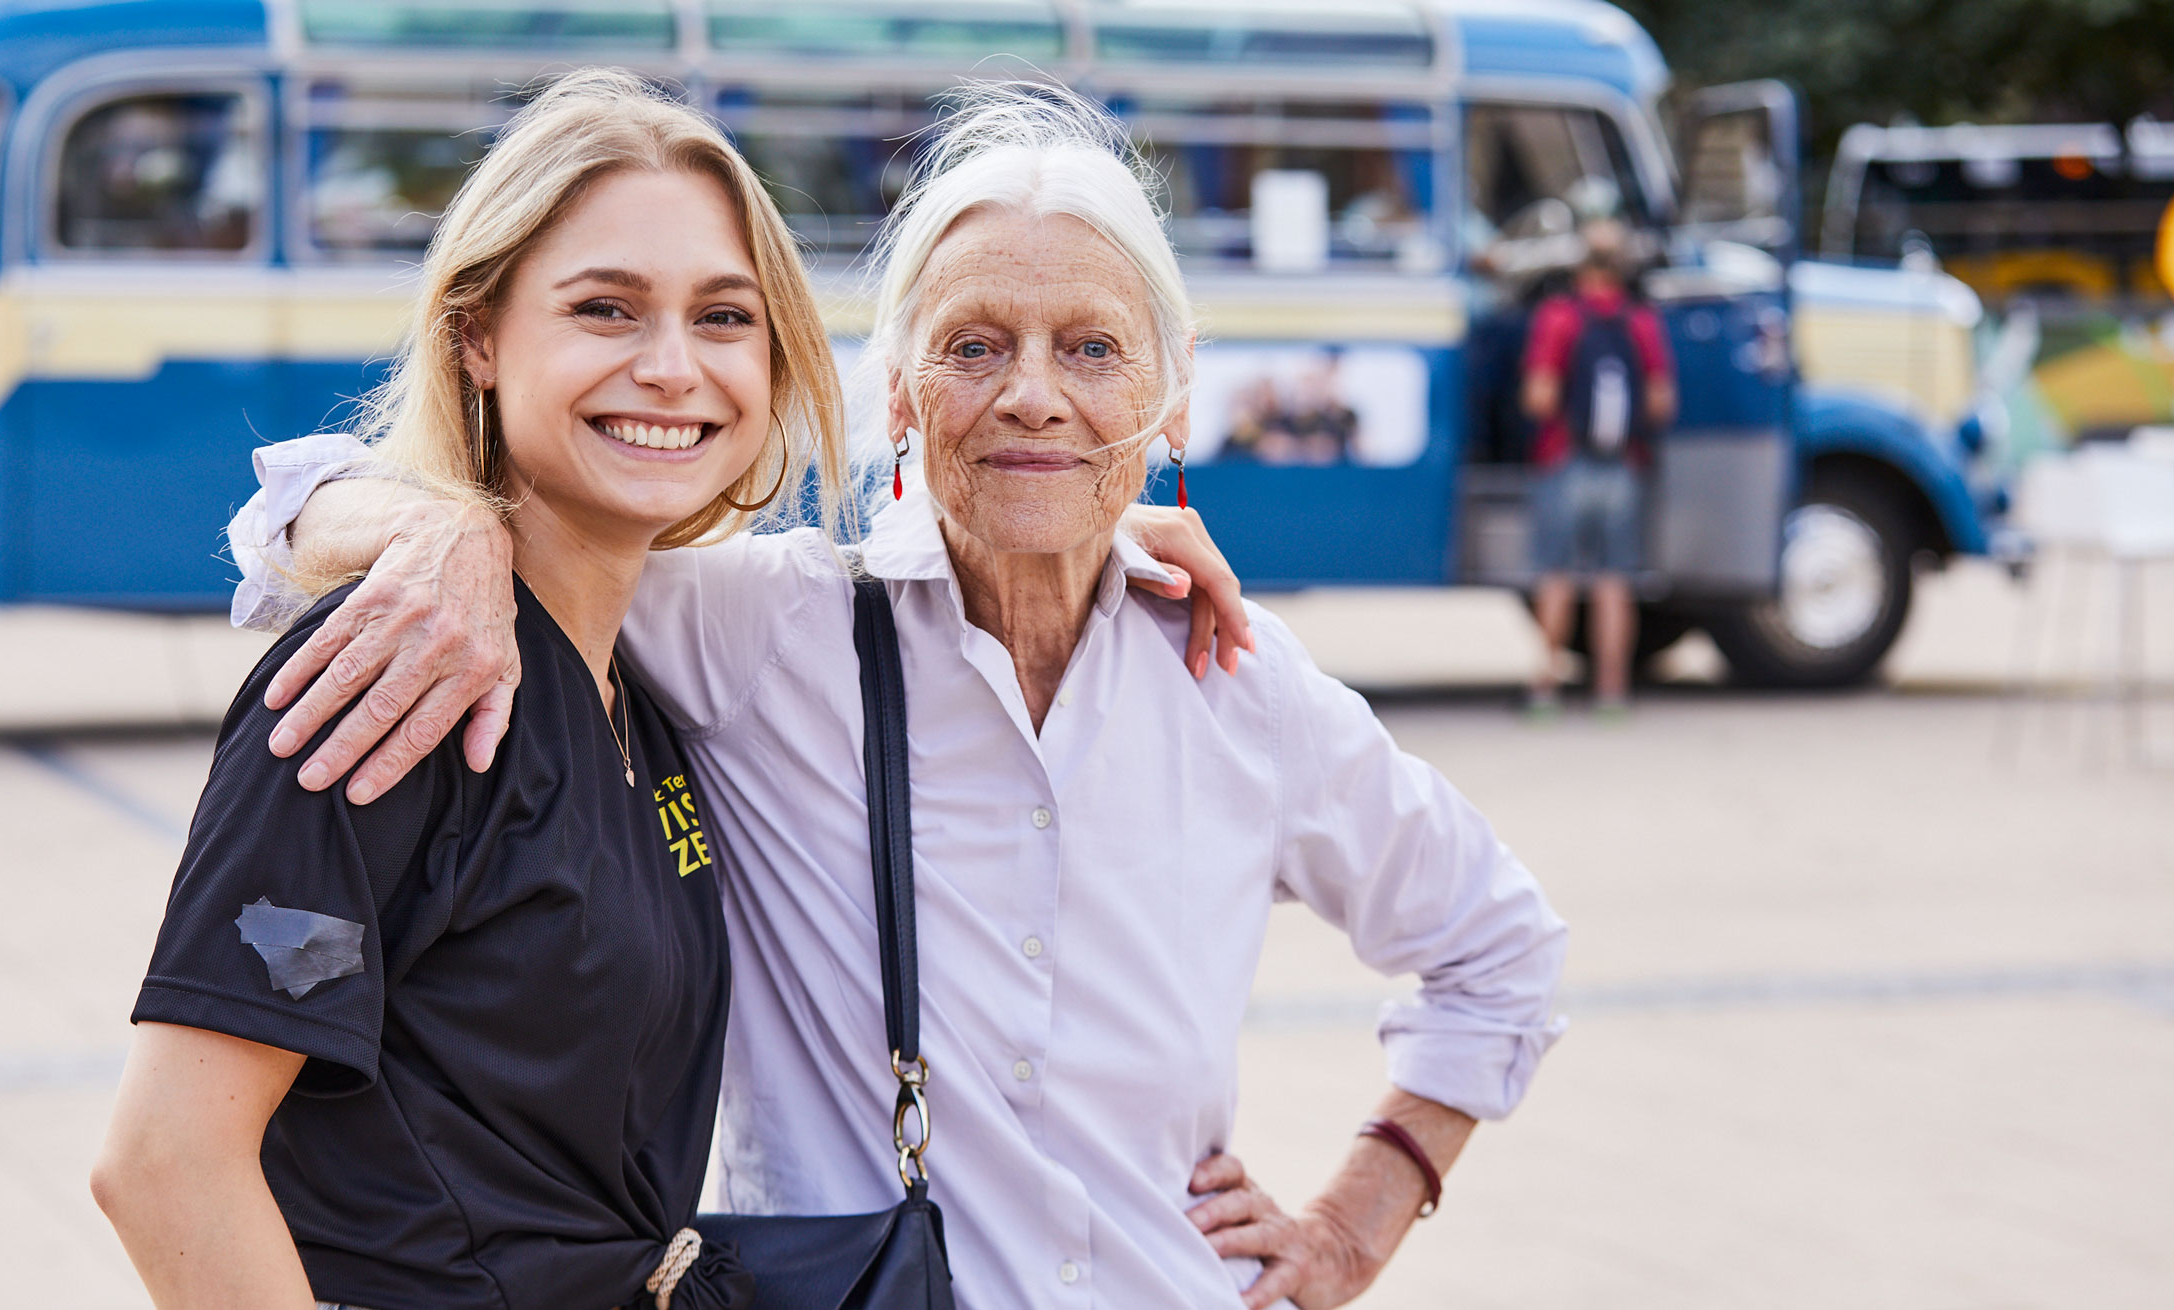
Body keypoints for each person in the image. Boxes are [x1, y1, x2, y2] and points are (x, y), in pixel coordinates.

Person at [235, 85, 1567, 1310]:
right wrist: (443, 532)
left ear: (1168, 401)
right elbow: (281, 515)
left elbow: (1499, 948)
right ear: (899, 392)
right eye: (974, 344)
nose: (1032, 395)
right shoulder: (769, 627)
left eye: (1092, 349)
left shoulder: (1236, 681)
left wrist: (1354, 1216)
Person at [89, 71, 853, 1310]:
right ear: (478, 338)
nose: (672, 367)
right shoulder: (393, 676)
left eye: (725, 318)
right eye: (605, 308)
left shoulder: (641, 685)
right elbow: (166, 1161)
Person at [1518, 218, 1677, 717]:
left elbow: (1539, 396)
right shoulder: (1641, 321)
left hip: (1563, 459)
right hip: (1622, 465)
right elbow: (1660, 402)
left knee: (1557, 576)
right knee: (1614, 581)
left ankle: (1546, 684)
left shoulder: (1558, 317)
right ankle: (1611, 691)